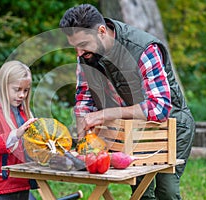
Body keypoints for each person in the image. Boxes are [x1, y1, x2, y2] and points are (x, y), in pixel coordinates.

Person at [59, 4, 195, 200]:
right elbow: (84, 97)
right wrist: (83, 127)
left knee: (167, 192)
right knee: (142, 194)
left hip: (171, 126)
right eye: (74, 46)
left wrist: (104, 115)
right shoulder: (86, 56)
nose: (79, 53)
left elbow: (159, 107)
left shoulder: (143, 49)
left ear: (102, 31)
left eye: (83, 44)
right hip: (134, 131)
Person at [0, 60, 37, 199]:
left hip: (23, 180)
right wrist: (16, 134)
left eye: (26, 90)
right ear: (3, 87)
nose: (22, 95)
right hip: (2, 183)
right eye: (17, 90)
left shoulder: (23, 112)